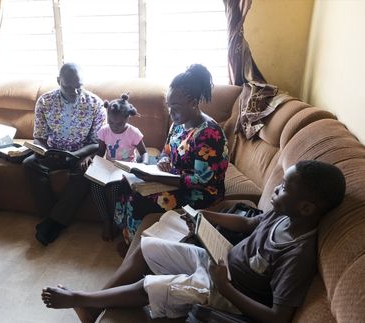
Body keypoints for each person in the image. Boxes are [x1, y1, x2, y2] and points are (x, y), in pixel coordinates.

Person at [41, 160, 346, 323]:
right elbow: (249, 222)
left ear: (307, 207)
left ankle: (83, 299)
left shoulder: (298, 253)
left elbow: (278, 317)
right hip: (221, 260)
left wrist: (225, 287)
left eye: (283, 188)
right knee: (148, 247)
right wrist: (206, 217)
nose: (276, 189)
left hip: (229, 291)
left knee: (150, 286)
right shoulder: (283, 216)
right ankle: (94, 307)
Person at [114, 64, 229, 245]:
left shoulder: (208, 133)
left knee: (140, 200)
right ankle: (127, 237)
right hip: (172, 178)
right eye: (169, 106)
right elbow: (166, 151)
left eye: (175, 106)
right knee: (126, 183)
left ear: (193, 103)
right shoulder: (178, 124)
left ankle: (141, 250)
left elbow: (203, 180)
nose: (171, 112)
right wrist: (164, 161)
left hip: (200, 193)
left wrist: (158, 178)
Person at [23, 63, 106, 246]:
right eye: (68, 86)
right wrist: (44, 152)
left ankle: (52, 223)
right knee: (29, 163)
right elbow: (39, 136)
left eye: (79, 86)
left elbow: (96, 142)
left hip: (81, 154)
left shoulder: (95, 104)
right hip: (53, 153)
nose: (74, 92)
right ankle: (51, 217)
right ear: (58, 80)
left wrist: (78, 155)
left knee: (89, 171)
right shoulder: (45, 101)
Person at [89, 94, 148, 240]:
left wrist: (144, 164)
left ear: (127, 119)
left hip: (125, 169)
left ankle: (116, 222)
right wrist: (92, 160)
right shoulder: (104, 131)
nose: (114, 127)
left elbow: (144, 153)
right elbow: (101, 152)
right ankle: (107, 220)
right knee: (95, 185)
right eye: (111, 123)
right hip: (108, 167)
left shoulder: (133, 133)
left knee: (114, 189)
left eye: (119, 124)